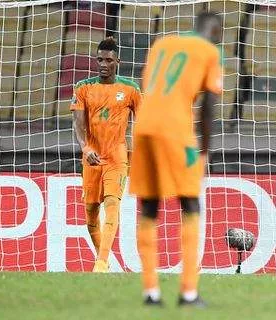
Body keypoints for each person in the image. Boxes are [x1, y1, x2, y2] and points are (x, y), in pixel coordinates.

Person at [130, 12, 222, 307]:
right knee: (190, 201)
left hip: (143, 127)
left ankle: (150, 292)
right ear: (216, 31)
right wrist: (205, 152)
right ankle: (188, 292)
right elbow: (208, 107)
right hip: (175, 130)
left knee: (149, 204)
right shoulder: (209, 51)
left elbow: (151, 86)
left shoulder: (161, 45)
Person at [71, 37, 141, 272]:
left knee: (112, 204)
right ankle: (106, 263)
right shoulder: (83, 88)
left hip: (117, 156)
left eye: (108, 60)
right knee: (91, 215)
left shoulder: (131, 89)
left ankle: (100, 262)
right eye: (99, 59)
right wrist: (85, 147)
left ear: (117, 62)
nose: (103, 64)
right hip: (91, 158)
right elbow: (78, 123)